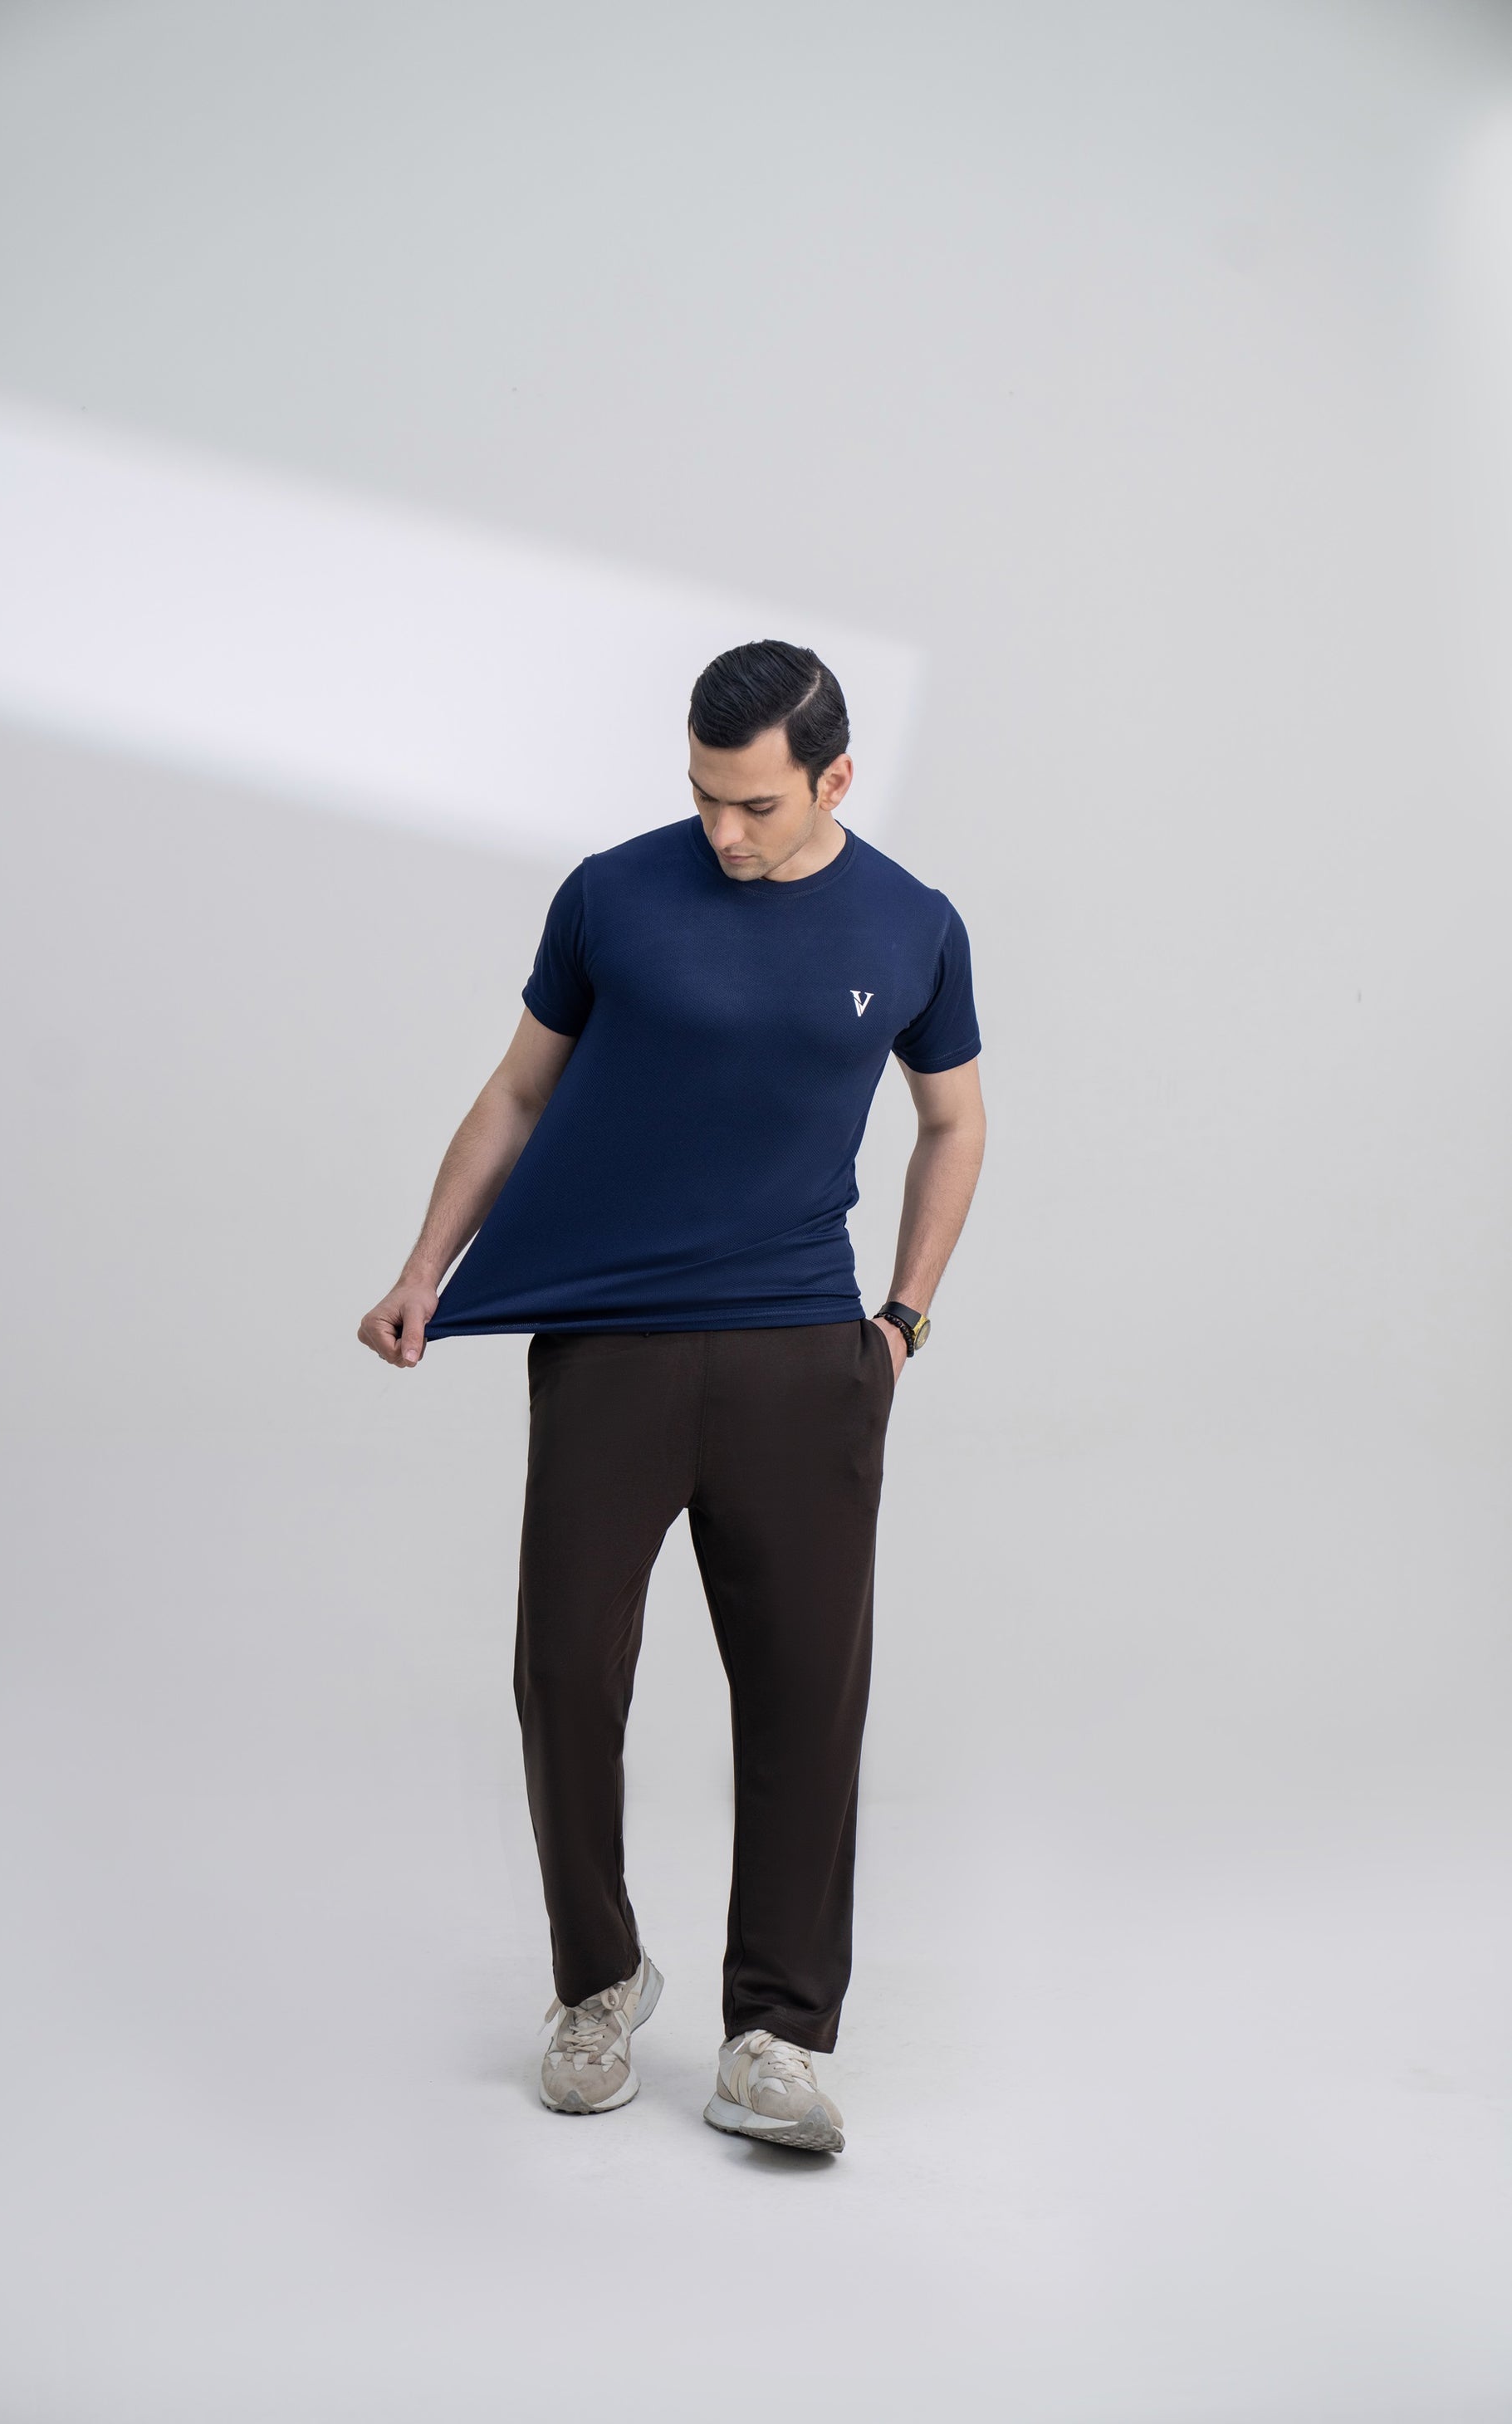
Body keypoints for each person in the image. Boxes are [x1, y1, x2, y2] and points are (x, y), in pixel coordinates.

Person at [358, 639, 986, 2155]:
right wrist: (425, 1267)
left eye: (755, 804)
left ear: (835, 779)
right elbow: (518, 1089)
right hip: (610, 1344)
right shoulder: (611, 896)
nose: (723, 830)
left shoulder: (912, 924)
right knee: (564, 1674)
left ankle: (775, 2034)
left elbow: (953, 1121)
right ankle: (597, 1983)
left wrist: (901, 1321)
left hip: (800, 1354)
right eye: (703, 796)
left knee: (804, 1700)